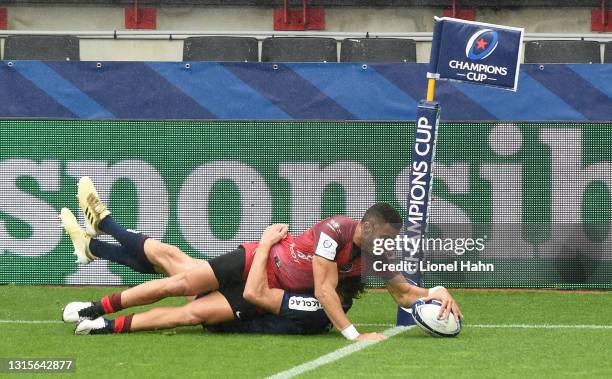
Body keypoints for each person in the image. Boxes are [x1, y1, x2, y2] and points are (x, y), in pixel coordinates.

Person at [63, 177, 462, 340]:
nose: (389, 247)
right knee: (178, 281)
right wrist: (355, 336)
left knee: (178, 280)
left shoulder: (376, 255)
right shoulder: (336, 230)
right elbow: (324, 288)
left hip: (263, 289)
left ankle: (98, 244)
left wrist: (435, 292)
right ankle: (94, 303)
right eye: (388, 238)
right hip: (257, 259)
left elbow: (404, 292)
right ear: (370, 227)